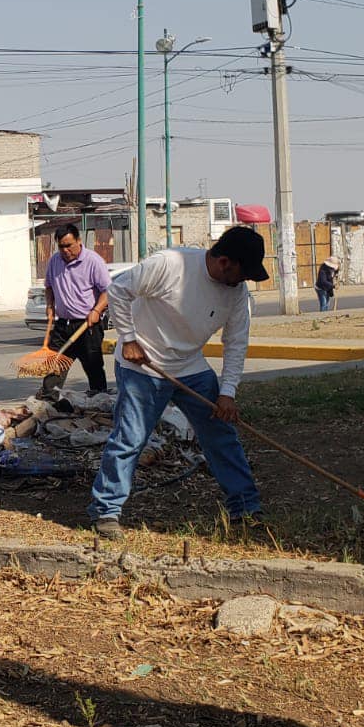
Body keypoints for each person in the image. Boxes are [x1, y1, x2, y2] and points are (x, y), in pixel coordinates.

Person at [86, 226, 269, 541]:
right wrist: (128, 339)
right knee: (130, 439)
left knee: (221, 436)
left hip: (191, 367)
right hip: (142, 367)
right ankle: (106, 511)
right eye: (243, 272)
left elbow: (236, 342)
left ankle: (244, 507)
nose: (245, 281)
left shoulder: (236, 292)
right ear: (225, 261)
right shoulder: (171, 264)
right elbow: (119, 290)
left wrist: (227, 393)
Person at [40, 224, 110, 395]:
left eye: (68, 245)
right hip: (63, 325)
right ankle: (48, 402)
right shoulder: (55, 261)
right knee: (55, 364)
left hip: (88, 325)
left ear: (78, 241)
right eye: (61, 246)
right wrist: (50, 305)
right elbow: (49, 286)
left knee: (93, 367)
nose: (65, 250)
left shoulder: (93, 261)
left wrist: (96, 311)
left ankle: (99, 399)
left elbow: (108, 291)